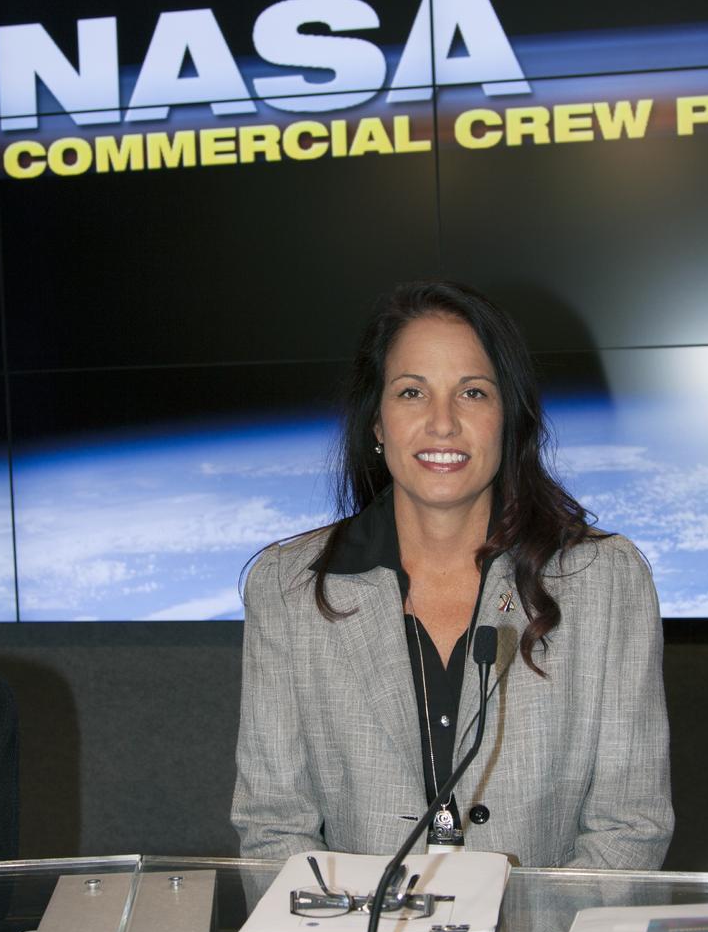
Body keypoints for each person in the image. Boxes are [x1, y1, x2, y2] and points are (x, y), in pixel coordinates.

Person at [231, 282, 673, 868]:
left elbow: (630, 827)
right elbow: (272, 829)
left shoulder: (606, 581)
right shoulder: (289, 587)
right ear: (377, 422)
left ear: (508, 418)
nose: (442, 423)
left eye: (472, 393)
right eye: (412, 392)